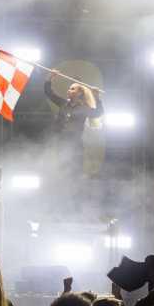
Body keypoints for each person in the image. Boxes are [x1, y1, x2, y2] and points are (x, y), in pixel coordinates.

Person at [45, 72, 104, 212]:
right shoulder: (63, 103)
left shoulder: (84, 108)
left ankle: (76, 205)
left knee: (75, 176)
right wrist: (50, 78)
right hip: (61, 144)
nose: (68, 90)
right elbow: (49, 93)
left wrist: (97, 97)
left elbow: (98, 113)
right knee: (61, 174)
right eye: (69, 88)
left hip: (75, 146)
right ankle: (60, 204)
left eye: (72, 88)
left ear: (79, 93)